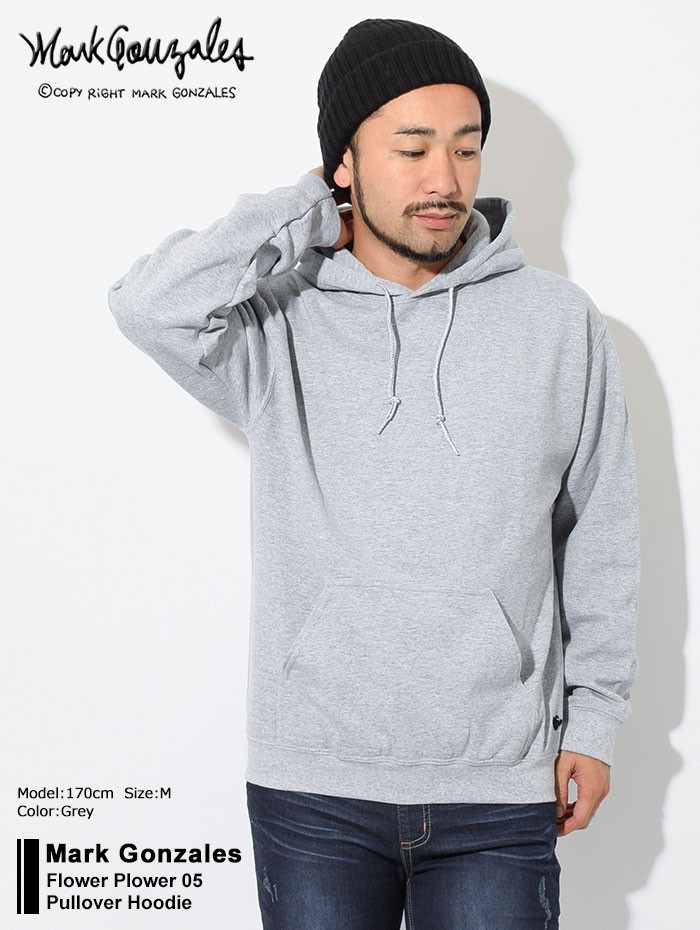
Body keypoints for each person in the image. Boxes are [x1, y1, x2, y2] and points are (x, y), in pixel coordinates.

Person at [107, 17, 641, 930]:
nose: (446, 181)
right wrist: (302, 211)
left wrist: (592, 723)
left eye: (466, 148)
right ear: (344, 164)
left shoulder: (559, 323)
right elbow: (150, 307)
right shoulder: (278, 322)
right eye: (412, 148)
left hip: (499, 782)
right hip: (313, 782)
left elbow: (602, 533)